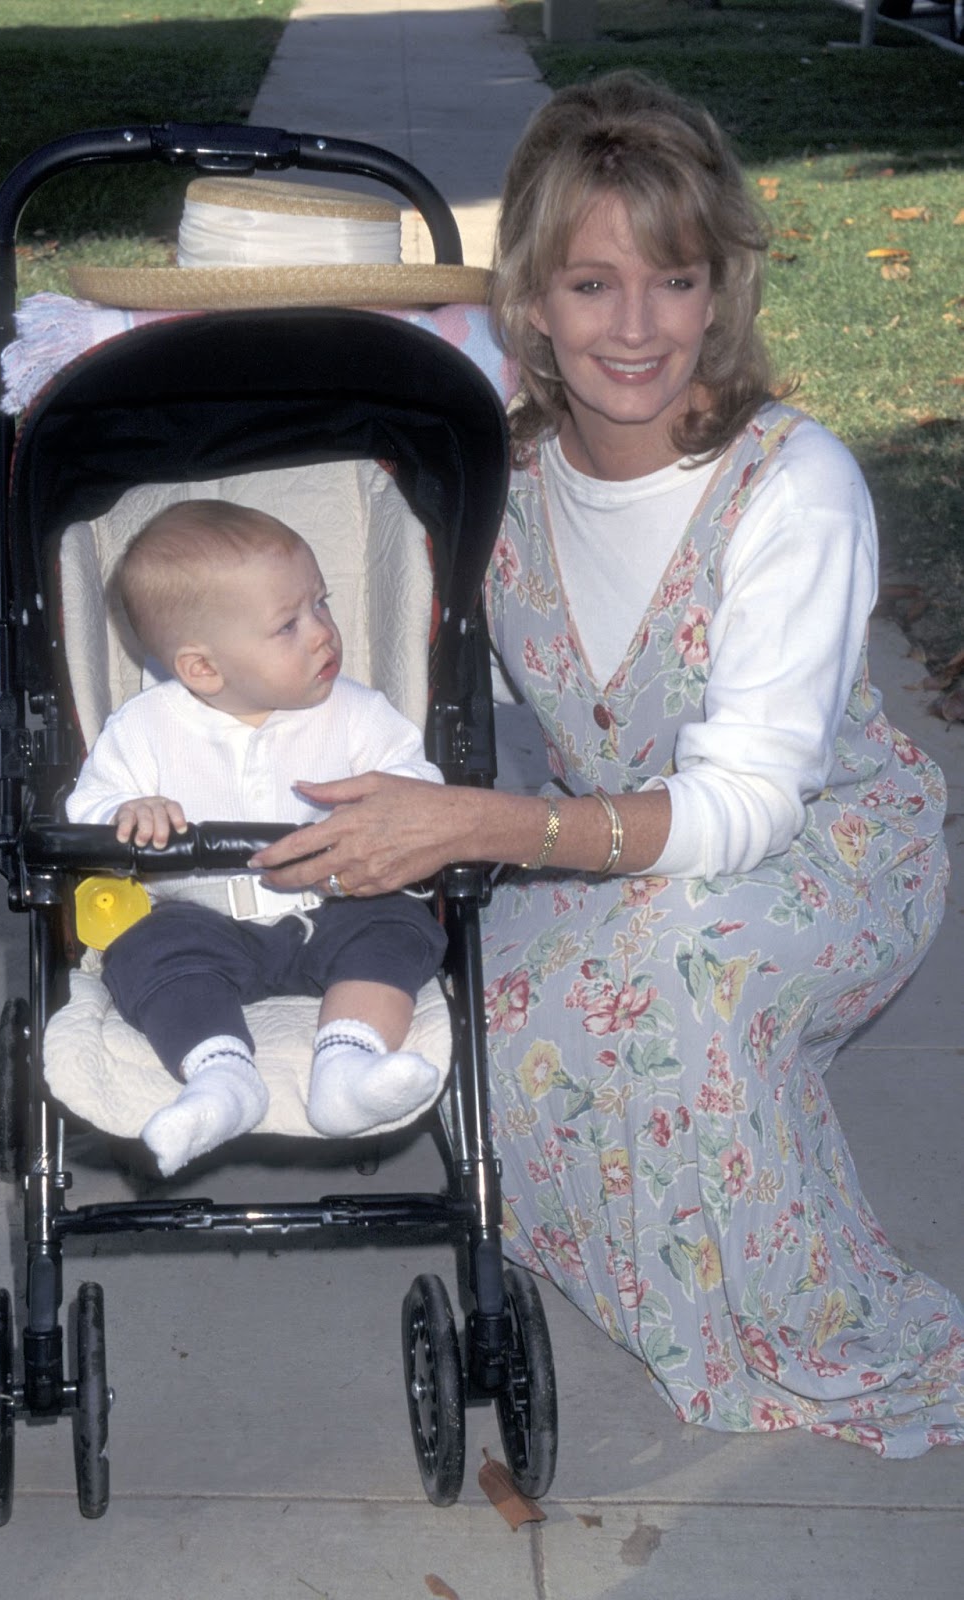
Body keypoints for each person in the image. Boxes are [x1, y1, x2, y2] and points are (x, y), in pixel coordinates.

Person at [250, 71, 964, 1457]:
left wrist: (481, 825)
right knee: (498, 1010)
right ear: (527, 300)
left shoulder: (791, 484)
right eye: (589, 285)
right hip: (605, 838)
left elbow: (748, 806)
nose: (633, 329)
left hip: (823, 852)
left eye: (672, 281)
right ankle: (662, 1275)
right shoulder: (496, 479)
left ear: (720, 292)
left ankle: (811, 1334)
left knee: (670, 981)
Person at [65, 500, 447, 1176]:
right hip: (200, 920)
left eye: (322, 605)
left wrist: (379, 818)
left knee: (399, 924)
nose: (323, 633)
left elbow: (417, 794)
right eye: (288, 625)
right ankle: (221, 1078)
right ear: (203, 668)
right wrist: (128, 811)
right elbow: (86, 810)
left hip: (334, 907)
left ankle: (347, 1067)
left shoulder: (359, 716)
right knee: (143, 949)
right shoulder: (145, 728)